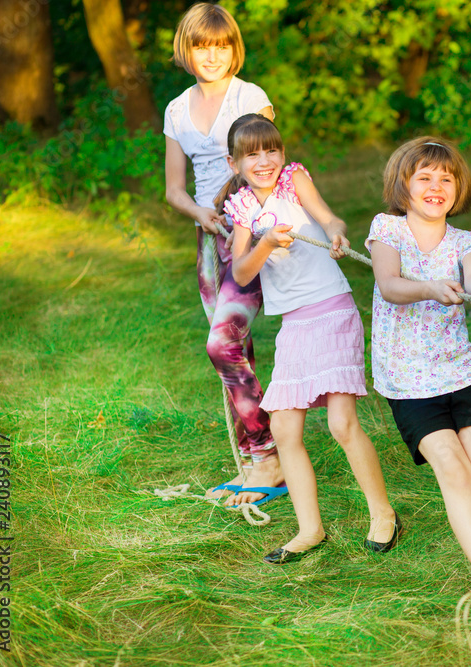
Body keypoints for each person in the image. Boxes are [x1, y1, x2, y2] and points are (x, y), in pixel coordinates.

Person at [366, 137, 471, 620]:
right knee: (456, 471)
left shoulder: (468, 240)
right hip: (407, 378)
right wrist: (428, 288)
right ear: (403, 185)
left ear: (459, 188)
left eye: (446, 179)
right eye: (424, 177)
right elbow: (389, 284)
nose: (436, 186)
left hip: (461, 371)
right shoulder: (388, 229)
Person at [219, 113, 399, 563]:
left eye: (271, 150)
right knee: (283, 426)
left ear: (282, 152)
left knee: (341, 423)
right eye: (252, 153)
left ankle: (384, 514)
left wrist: (337, 233)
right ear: (233, 162)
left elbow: (330, 218)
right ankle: (309, 528)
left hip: (332, 310)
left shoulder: (293, 180)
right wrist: (265, 245)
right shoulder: (242, 209)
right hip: (294, 325)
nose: (264, 160)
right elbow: (241, 272)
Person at [163, 3, 282, 505]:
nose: (212, 55)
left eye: (222, 45)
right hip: (210, 239)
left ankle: (269, 455)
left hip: (251, 233)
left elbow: (267, 161)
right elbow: (173, 188)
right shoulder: (176, 109)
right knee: (237, 351)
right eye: (201, 46)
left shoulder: (249, 95)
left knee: (223, 344)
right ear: (186, 51)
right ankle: (256, 458)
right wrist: (201, 211)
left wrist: (229, 202)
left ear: (234, 48)